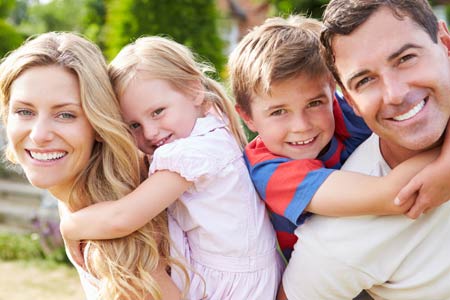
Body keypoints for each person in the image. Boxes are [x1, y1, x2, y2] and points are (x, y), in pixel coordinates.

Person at [59, 36, 284, 300]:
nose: (150, 132)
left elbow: (123, 218)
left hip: (227, 289)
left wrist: (69, 226)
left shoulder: (192, 153)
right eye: (134, 126)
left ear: (194, 90)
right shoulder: (212, 128)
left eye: (157, 112)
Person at [228, 14, 450, 262]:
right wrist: (445, 165)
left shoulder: (342, 111)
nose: (301, 126)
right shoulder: (269, 171)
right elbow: (395, 196)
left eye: (314, 103)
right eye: (278, 112)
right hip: (339, 278)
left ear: (334, 92)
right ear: (247, 117)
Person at [279, 1, 450, 299]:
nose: (395, 94)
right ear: (351, 101)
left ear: (445, 44)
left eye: (406, 58)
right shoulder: (338, 242)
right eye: (365, 80)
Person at [0, 32, 186, 300]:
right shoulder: (80, 202)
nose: (39, 134)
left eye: (65, 115)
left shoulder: (110, 234)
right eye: (25, 111)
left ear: (98, 126)